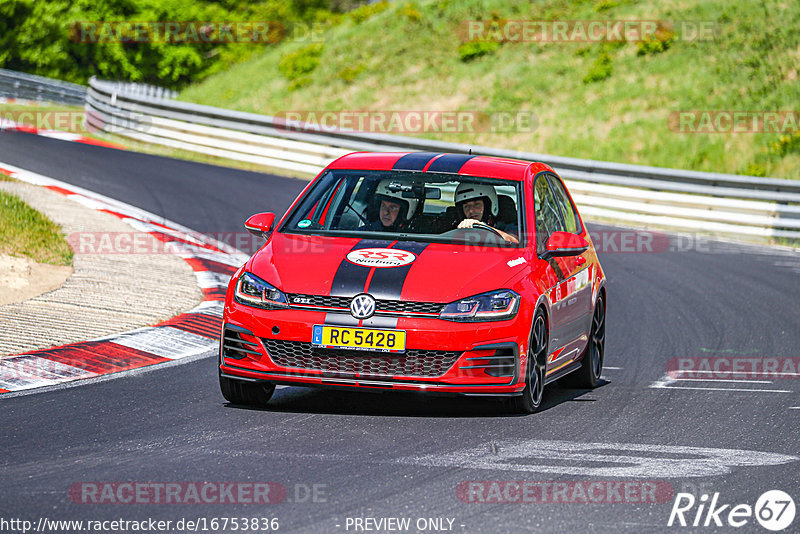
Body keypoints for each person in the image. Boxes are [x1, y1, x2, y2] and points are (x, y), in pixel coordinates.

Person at [453, 182, 519, 244]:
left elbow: (514, 242)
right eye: (466, 206)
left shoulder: (508, 225)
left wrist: (483, 227)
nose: (471, 211)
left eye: (477, 204)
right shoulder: (456, 228)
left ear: (488, 205)